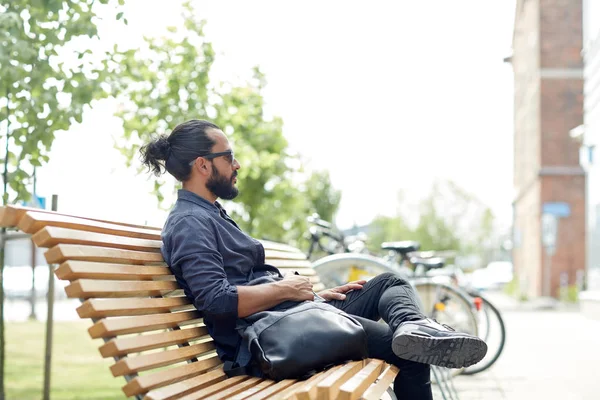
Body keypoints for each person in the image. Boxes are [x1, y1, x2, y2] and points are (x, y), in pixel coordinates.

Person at [141, 119, 487, 400]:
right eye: (228, 156)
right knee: (410, 354)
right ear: (203, 165)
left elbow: (245, 284)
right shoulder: (189, 223)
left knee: (387, 283)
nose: (237, 164)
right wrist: (286, 291)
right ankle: (417, 336)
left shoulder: (209, 214)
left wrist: (312, 297)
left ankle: (415, 326)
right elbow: (217, 302)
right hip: (268, 343)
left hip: (288, 320)